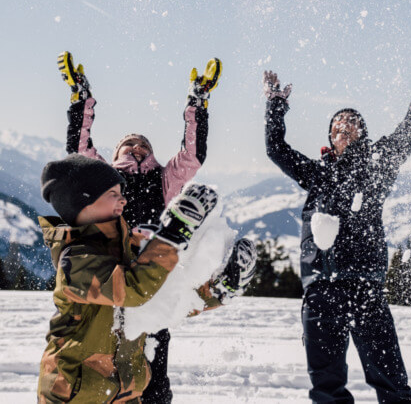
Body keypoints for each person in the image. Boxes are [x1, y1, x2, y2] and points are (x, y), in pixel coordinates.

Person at [263, 36, 411, 403]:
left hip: (365, 286)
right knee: (326, 387)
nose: (345, 126)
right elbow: (276, 149)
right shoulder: (318, 173)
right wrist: (275, 106)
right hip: (320, 288)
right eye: (338, 124)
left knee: (391, 382)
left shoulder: (378, 166)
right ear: (330, 137)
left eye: (352, 122)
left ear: (362, 134)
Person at [57, 52, 219, 403]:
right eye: (129, 143)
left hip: (152, 274)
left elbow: (192, 155)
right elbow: (79, 149)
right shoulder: (105, 176)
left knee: (154, 361)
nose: (137, 145)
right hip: (108, 270)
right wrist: (82, 100)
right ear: (116, 152)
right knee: (102, 355)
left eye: (143, 143)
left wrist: (197, 103)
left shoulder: (164, 179)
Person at [37, 154, 253, 403]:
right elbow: (133, 291)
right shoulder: (76, 260)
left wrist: (216, 292)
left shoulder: (128, 249)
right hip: (75, 395)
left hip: (124, 394)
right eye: (113, 194)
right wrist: (174, 233)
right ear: (85, 200)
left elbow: (163, 300)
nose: (123, 199)